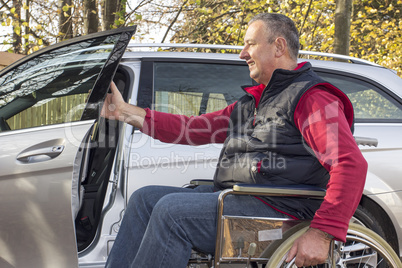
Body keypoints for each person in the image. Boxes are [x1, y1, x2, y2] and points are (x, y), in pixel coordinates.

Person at [103, 13, 368, 267]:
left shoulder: (312, 99)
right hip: (242, 200)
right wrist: (125, 112)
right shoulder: (252, 103)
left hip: (281, 212)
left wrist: (322, 234)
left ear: (278, 46)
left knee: (172, 212)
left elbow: (350, 164)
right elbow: (194, 128)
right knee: (143, 200)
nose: (242, 54)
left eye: (250, 44)